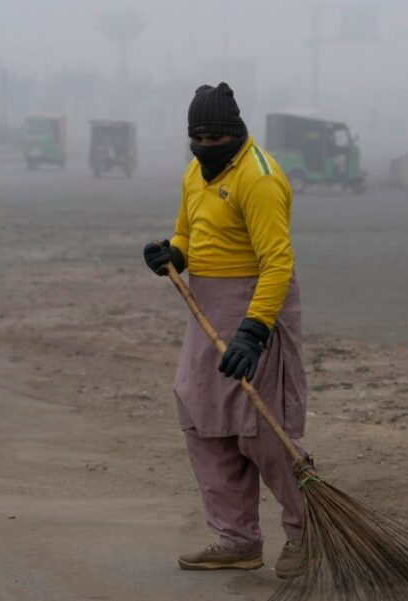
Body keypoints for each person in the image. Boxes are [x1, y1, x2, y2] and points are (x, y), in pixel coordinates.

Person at [142, 82, 308, 580]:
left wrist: (254, 333)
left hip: (257, 306)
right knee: (204, 417)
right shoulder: (194, 171)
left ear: (236, 133)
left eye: (216, 136)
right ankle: (237, 540)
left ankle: (305, 533)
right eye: (198, 135)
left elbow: (278, 262)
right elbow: (188, 235)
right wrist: (172, 254)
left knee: (265, 430)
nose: (207, 144)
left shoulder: (259, 177)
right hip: (206, 311)